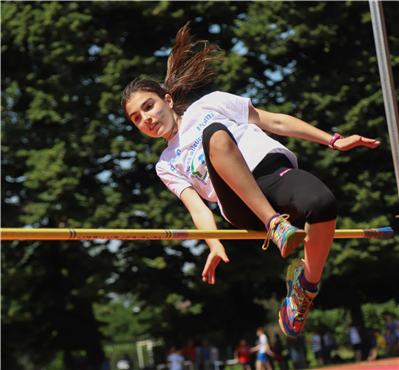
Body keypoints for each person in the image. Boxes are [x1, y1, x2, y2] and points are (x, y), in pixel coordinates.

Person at [120, 22, 380, 337]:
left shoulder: (210, 104)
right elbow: (198, 209)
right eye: (137, 118)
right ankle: (274, 223)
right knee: (214, 136)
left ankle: (304, 289)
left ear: (167, 100)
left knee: (322, 203)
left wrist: (333, 140)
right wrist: (213, 244)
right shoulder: (166, 164)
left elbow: (275, 121)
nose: (146, 118)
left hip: (272, 173)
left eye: (148, 106)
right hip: (241, 204)